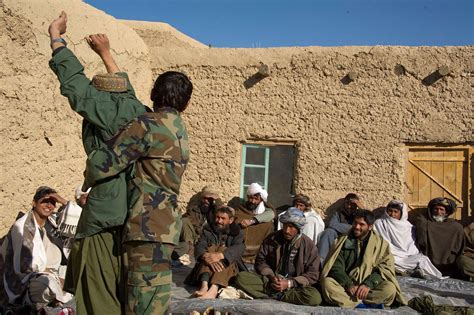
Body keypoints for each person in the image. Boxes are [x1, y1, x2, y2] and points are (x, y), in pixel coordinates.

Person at [48, 12, 147, 314]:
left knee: (97, 294)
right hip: (133, 212)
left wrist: (56, 38)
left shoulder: (104, 111)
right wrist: (106, 54)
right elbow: (123, 88)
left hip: (106, 214)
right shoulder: (135, 108)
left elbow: (74, 84)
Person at [84, 64, 192, 313]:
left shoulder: (148, 125)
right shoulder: (178, 128)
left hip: (145, 226)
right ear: (184, 103)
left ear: (154, 94)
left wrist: (87, 178)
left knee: (140, 301)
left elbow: (107, 161)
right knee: (155, 299)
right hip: (164, 227)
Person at [1, 187, 72, 308]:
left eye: (52, 202)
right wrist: (52, 276)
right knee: (46, 285)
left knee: (73, 274)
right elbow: (24, 265)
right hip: (24, 280)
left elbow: (79, 220)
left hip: (50, 272)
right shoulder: (24, 227)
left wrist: (62, 200)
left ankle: (58, 296)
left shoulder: (51, 222)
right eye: (44, 201)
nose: (49, 205)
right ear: (34, 203)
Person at [235, 208, 322, 306]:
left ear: (299, 228)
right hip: (271, 282)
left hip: (295, 286)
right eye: (285, 225)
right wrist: (271, 276)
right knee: (241, 278)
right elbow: (260, 261)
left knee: (314, 297)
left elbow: (313, 274)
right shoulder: (272, 238)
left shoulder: (308, 245)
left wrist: (289, 283)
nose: (287, 230)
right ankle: (279, 295)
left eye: (291, 227)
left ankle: (277, 296)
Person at [321, 209, 406, 308]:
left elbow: (385, 268)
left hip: (369, 288)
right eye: (355, 223)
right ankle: (364, 304)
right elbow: (335, 266)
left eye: (361, 224)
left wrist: (368, 284)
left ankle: (350, 302)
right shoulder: (342, 241)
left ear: (370, 227)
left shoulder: (381, 244)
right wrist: (348, 284)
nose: (357, 227)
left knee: (390, 289)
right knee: (327, 283)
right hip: (346, 286)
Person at [185, 206, 245, 299]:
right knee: (209, 253)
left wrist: (221, 255)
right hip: (205, 268)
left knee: (223, 251)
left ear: (231, 220)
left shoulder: (237, 232)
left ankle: (214, 289)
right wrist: (205, 256)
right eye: (217, 217)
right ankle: (204, 287)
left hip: (229, 269)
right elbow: (200, 245)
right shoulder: (208, 230)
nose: (219, 221)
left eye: (223, 218)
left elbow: (239, 248)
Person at [374, 200, 443, 279]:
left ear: (402, 213)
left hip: (406, 258)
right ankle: (408, 271)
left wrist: (409, 255)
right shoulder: (379, 223)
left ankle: (425, 275)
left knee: (422, 259)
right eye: (390, 211)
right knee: (387, 262)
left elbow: (412, 246)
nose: (392, 214)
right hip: (390, 257)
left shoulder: (408, 227)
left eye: (396, 212)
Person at [415, 197, 465, 277]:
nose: (438, 212)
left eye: (442, 210)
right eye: (436, 209)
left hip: (448, 263)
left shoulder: (455, 226)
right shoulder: (425, 223)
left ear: (446, 212)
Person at [173, 186, 224, 264]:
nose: (206, 201)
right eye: (205, 198)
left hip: (208, 239)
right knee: (184, 221)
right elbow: (189, 222)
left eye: (209, 199)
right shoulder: (195, 208)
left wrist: (217, 204)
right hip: (195, 237)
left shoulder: (216, 212)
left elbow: (221, 219)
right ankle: (189, 250)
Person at [234, 183, 275, 263]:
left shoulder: (265, 211)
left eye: (256, 199)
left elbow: (272, 214)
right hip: (238, 252)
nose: (253, 201)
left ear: (261, 200)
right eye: (251, 198)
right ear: (247, 197)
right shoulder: (240, 210)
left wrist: (252, 221)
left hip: (258, 256)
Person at [318, 193, 362, 264]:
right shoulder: (338, 213)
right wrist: (351, 228)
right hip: (339, 236)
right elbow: (332, 224)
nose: (349, 206)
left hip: (353, 238)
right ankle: (320, 262)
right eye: (347, 203)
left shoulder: (359, 214)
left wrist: (361, 207)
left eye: (352, 204)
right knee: (328, 232)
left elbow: (368, 221)